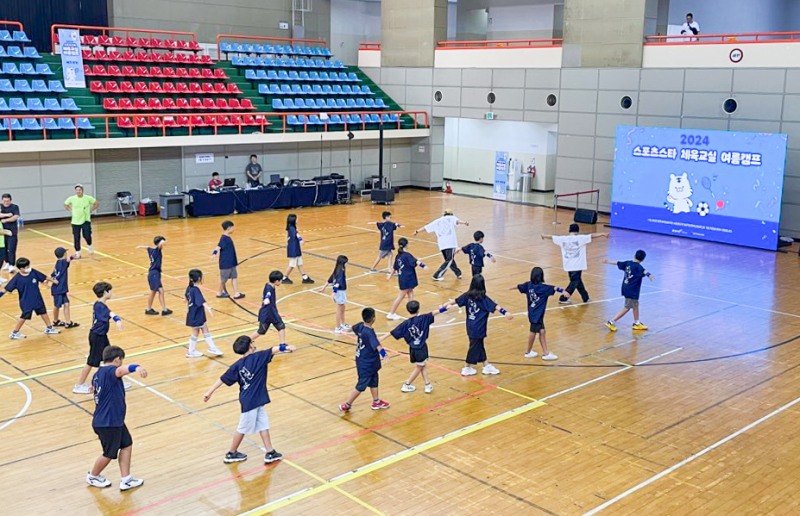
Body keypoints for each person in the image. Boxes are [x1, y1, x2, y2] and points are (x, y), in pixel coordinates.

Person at [203, 335, 295, 464]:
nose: (254, 342)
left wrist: (209, 392)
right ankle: (231, 453)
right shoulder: (259, 357)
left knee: (263, 424)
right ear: (250, 346)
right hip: (251, 401)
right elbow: (275, 349)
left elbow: (223, 378)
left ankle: (270, 452)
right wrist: (287, 347)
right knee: (242, 428)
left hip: (254, 400)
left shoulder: (238, 365)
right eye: (252, 341)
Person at [85, 345, 147, 491]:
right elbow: (120, 371)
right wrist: (136, 367)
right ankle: (93, 476)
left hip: (112, 420)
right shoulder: (111, 371)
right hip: (108, 422)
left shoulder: (98, 373)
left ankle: (126, 479)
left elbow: (93, 389)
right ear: (117, 359)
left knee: (126, 444)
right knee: (109, 453)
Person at [446, 274, 513, 376]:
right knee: (474, 347)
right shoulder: (484, 299)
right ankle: (467, 367)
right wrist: (506, 313)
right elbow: (496, 307)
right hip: (479, 327)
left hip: (470, 326)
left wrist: (447, 304)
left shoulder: (467, 295)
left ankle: (486, 366)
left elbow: (456, 301)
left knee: (479, 345)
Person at [73, 282, 124, 394]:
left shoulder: (100, 305)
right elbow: (110, 313)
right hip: (97, 337)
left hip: (101, 335)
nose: (111, 292)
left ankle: (115, 379)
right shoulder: (100, 306)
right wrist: (117, 320)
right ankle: (79, 385)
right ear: (105, 292)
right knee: (92, 361)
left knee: (111, 356)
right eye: (110, 290)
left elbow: (109, 312)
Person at [390, 300, 449, 394]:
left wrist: (381, 338)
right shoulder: (423, 318)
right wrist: (444, 308)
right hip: (420, 348)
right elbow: (434, 312)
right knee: (419, 366)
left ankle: (427, 384)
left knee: (422, 364)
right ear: (418, 309)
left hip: (413, 348)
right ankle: (407, 384)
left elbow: (393, 332)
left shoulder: (405, 323)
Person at [339, 307, 390, 413]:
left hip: (365, 359)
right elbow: (378, 346)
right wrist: (384, 355)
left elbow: (352, 329)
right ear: (374, 319)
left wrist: (343, 330)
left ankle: (376, 401)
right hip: (366, 363)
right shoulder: (369, 333)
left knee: (374, 379)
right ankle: (347, 404)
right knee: (361, 385)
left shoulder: (360, 325)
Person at [542, 224, 608, 305]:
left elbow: (552, 237)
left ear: (569, 230)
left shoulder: (563, 239)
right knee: (574, 282)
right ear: (578, 230)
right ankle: (563, 298)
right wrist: (602, 234)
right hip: (577, 266)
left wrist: (544, 235)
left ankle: (585, 298)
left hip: (568, 266)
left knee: (577, 281)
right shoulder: (581, 238)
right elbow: (592, 236)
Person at [0, 257, 59, 339]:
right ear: (21, 269)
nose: (29, 268)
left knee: (43, 312)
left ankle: (49, 328)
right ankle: (15, 332)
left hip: (37, 298)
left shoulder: (33, 272)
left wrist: (53, 280)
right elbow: (6, 289)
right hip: (26, 301)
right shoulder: (17, 278)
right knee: (24, 316)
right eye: (26, 267)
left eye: (29, 266)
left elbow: (44, 277)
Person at [514, 267, 562, 361]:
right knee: (533, 332)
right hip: (537, 315)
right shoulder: (543, 288)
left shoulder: (528, 285)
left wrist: (511, 288)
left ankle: (545, 352)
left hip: (533, 313)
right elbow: (555, 288)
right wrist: (564, 291)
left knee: (542, 331)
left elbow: (519, 286)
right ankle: (528, 352)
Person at [604, 250, 655, 332]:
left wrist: (608, 262)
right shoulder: (639, 267)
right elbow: (645, 272)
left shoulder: (628, 263)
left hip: (625, 287)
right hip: (632, 290)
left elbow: (617, 263)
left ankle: (636, 323)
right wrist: (650, 275)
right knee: (627, 307)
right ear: (643, 260)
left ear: (634, 255)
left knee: (635, 304)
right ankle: (611, 321)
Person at [414, 209, 469, 281]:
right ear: (451, 214)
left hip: (442, 245)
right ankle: (437, 275)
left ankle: (458, 273)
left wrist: (417, 231)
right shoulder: (451, 218)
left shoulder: (437, 221)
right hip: (450, 243)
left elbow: (426, 227)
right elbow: (457, 221)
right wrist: (465, 222)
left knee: (449, 260)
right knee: (449, 260)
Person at [185, 269, 224, 358]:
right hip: (197, 314)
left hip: (192, 313)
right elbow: (201, 301)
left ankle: (192, 351)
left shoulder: (189, 288)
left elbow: (186, 297)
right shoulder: (195, 289)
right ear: (199, 278)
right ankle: (211, 348)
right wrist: (208, 308)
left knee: (198, 330)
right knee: (202, 329)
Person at [386, 237, 427, 320]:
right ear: (406, 245)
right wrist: (424, 266)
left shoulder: (398, 256)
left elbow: (395, 267)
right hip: (408, 278)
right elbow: (416, 262)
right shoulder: (407, 255)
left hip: (403, 278)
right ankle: (391, 313)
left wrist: (390, 275)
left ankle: (414, 313)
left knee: (410, 293)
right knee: (401, 296)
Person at [250, 270, 289, 346]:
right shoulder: (269, 288)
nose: (281, 282)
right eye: (280, 280)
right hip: (267, 313)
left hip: (272, 312)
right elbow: (268, 294)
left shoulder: (270, 285)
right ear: (276, 281)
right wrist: (267, 299)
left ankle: (282, 345)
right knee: (262, 330)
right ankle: (247, 341)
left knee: (281, 326)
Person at [138, 236, 172, 316]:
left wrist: (141, 246)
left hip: (154, 274)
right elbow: (160, 244)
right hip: (154, 274)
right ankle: (150, 309)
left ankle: (163, 309)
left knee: (160, 291)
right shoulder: (157, 250)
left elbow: (147, 247)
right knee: (155, 291)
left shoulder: (151, 250)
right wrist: (163, 241)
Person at [64, 184, 99, 258]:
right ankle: (78, 252)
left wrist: (91, 210)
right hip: (75, 222)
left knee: (87, 235)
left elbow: (96, 203)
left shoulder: (88, 198)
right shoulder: (72, 198)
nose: (78, 191)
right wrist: (71, 210)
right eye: (77, 190)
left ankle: (90, 246)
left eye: (79, 190)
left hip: (85, 220)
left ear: (82, 190)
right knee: (76, 237)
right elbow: (65, 204)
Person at [213, 220, 245, 299]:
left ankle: (236, 293)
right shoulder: (223, 238)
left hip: (232, 262)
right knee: (223, 279)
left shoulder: (227, 237)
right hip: (226, 263)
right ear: (229, 228)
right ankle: (219, 293)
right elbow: (219, 246)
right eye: (233, 227)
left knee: (234, 277)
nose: (233, 229)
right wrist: (214, 253)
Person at [51, 247, 80, 329]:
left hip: (61, 288)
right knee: (57, 305)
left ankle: (68, 322)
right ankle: (55, 320)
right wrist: (72, 257)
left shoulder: (58, 263)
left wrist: (49, 278)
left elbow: (54, 273)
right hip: (58, 289)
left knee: (66, 304)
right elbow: (67, 260)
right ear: (64, 254)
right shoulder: (62, 262)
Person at [320, 255, 351, 333]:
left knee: (342, 307)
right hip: (339, 291)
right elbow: (337, 283)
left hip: (340, 291)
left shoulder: (337, 269)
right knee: (339, 309)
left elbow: (330, 279)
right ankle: (337, 327)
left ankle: (343, 324)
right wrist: (334, 292)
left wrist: (323, 288)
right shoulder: (341, 270)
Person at [282, 213, 314, 284]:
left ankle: (304, 277)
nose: (298, 220)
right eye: (297, 219)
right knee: (292, 264)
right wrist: (301, 240)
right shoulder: (291, 228)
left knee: (299, 262)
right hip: (293, 249)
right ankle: (285, 277)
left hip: (295, 247)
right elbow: (296, 234)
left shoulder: (292, 227)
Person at [1, 193, 21, 273]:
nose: (6, 202)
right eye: (4, 201)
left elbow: (15, 217)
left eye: (8, 201)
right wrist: (7, 215)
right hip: (2, 232)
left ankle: (12, 264)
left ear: (10, 200)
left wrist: (5, 220)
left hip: (12, 231)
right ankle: (7, 262)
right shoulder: (0, 206)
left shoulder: (14, 207)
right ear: (2, 200)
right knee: (4, 248)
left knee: (11, 248)